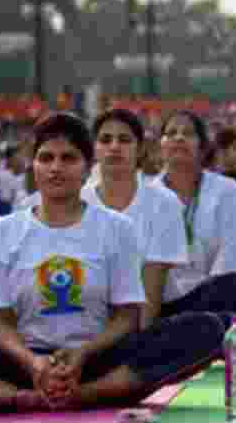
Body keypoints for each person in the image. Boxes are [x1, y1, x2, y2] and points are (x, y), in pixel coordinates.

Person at [0, 113, 224, 411]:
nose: (55, 168)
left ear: (88, 169)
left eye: (68, 158)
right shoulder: (1, 232)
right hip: (24, 365)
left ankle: (84, 395)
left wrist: (82, 353)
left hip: (99, 360)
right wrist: (34, 363)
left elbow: (126, 317)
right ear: (33, 166)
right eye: (46, 158)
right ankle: (21, 399)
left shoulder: (117, 228)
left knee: (204, 328)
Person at [80, 109, 189, 329]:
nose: (114, 147)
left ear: (140, 150)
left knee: (229, 292)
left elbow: (153, 280)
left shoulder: (164, 202)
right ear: (94, 150)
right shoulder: (78, 201)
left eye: (124, 140)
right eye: (105, 140)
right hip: (91, 318)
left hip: (153, 313)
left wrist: (135, 343)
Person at [151, 111, 236, 325]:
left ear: (202, 147)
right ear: (161, 146)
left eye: (188, 133)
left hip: (215, 295)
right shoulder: (145, 196)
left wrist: (207, 294)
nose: (179, 138)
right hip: (163, 303)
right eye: (171, 133)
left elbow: (231, 255)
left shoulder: (227, 190)